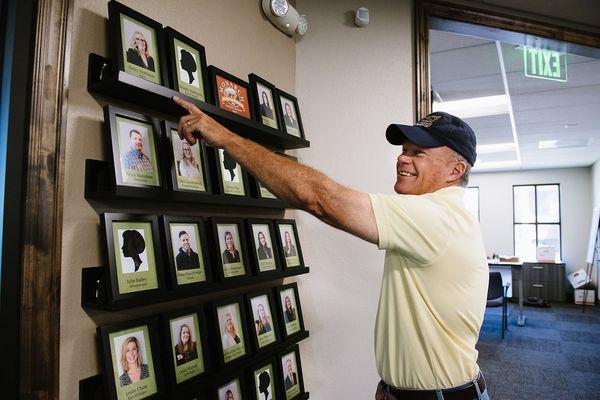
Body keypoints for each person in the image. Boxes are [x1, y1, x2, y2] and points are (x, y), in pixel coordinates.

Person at [173, 97, 490, 399]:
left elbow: (318, 197)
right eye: (404, 149)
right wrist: (394, 386)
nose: (402, 158)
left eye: (418, 152)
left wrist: (226, 138)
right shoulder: (438, 215)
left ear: (455, 171)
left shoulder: (438, 216)